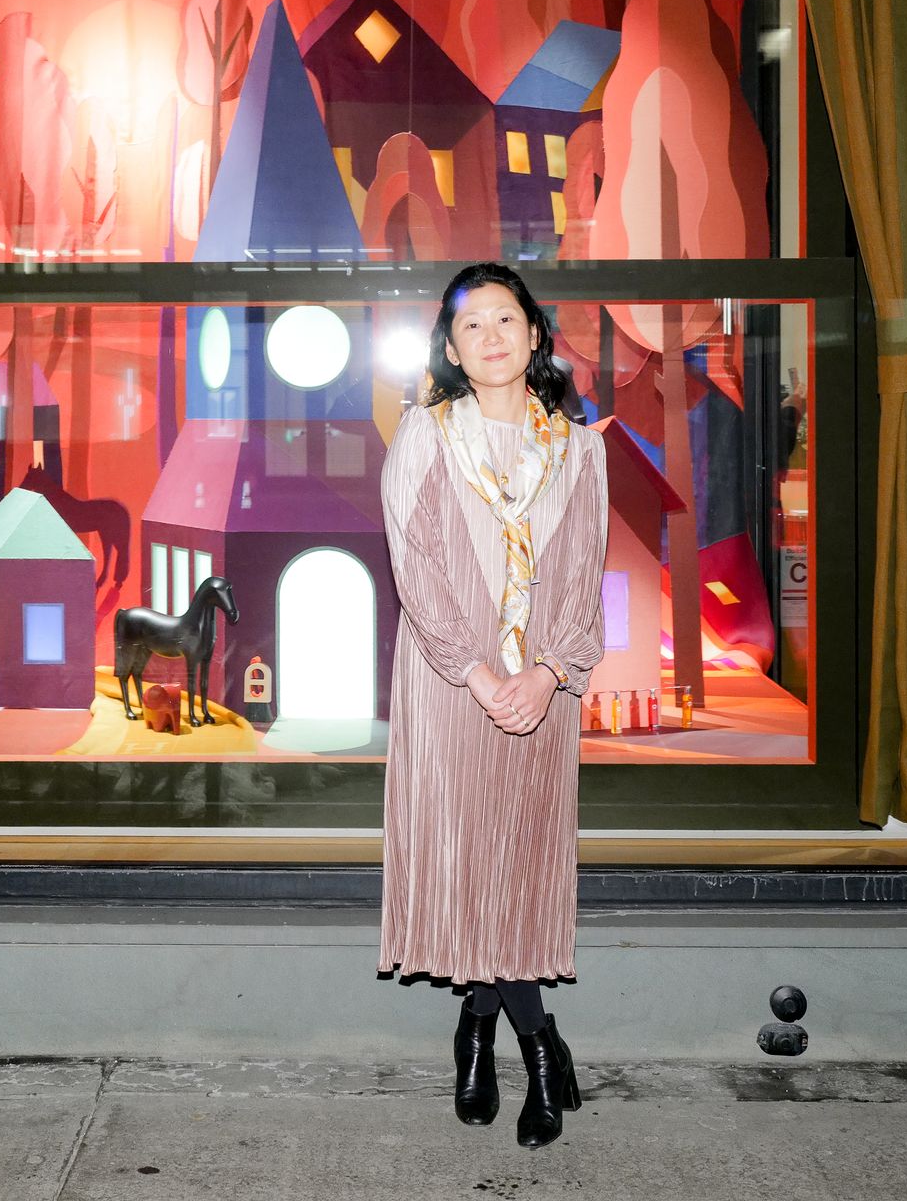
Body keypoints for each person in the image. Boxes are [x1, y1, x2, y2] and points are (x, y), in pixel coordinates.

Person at [377, 261, 610, 1149]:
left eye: (505, 318)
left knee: (514, 866)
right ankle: (539, 1047)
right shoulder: (425, 436)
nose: (491, 336)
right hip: (451, 689)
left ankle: (479, 1028)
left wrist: (547, 676)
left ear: (536, 333)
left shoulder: (580, 452)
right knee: (471, 859)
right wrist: (478, 674)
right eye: (471, 325)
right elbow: (417, 570)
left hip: (541, 690)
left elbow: (583, 581)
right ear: (451, 348)